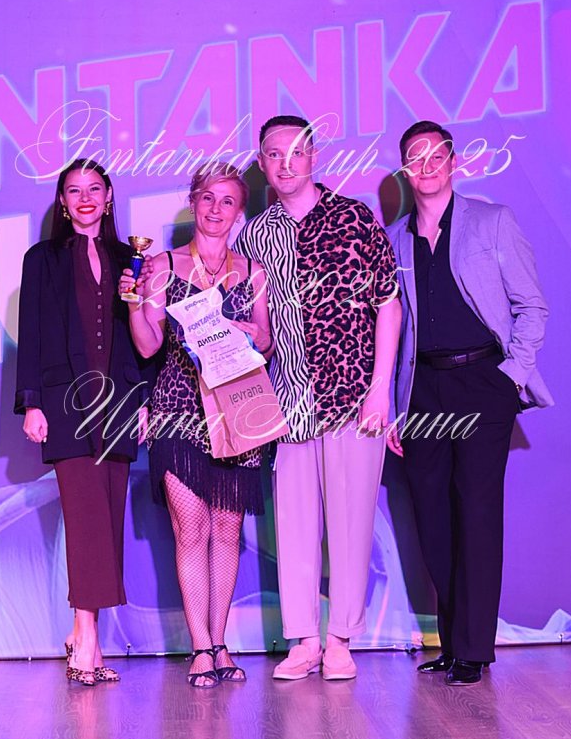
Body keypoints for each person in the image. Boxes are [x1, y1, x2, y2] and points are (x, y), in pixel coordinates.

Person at [233, 115, 401, 681]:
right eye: (273, 154)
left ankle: (340, 640)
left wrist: (380, 391)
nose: (286, 163)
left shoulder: (355, 217)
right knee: (296, 526)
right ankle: (304, 640)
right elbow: (258, 325)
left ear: (314, 156)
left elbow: (389, 305)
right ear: (262, 164)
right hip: (290, 400)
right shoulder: (255, 236)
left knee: (351, 523)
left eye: (296, 152)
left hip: (355, 398)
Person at [387, 120, 553, 685]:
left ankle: (474, 650)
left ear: (453, 162)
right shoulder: (395, 238)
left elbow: (532, 306)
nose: (427, 165)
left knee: (477, 513)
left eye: (436, 155)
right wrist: (396, 404)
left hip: (483, 381)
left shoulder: (492, 220)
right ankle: (452, 640)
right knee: (432, 516)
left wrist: (511, 377)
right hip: (423, 389)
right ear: (405, 169)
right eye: (415, 157)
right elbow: (397, 329)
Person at [120, 162, 273, 688]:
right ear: (193, 202)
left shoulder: (253, 272)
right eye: (207, 198)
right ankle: (201, 647)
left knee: (228, 530)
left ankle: (221, 642)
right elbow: (148, 346)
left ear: (239, 211)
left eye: (227, 201)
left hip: (237, 408)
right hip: (179, 409)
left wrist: (243, 330)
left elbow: (265, 340)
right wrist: (136, 305)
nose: (215, 209)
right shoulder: (161, 266)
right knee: (192, 530)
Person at [15, 158, 149, 686]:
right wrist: (32, 403)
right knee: (87, 519)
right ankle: (88, 642)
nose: (86, 197)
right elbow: (32, 333)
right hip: (64, 405)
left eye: (95, 188)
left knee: (108, 519)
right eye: (75, 190)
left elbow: (142, 340)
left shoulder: (129, 259)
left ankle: (80, 630)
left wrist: (143, 401)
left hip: (119, 404)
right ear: (62, 202)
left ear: (109, 197)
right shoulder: (41, 259)